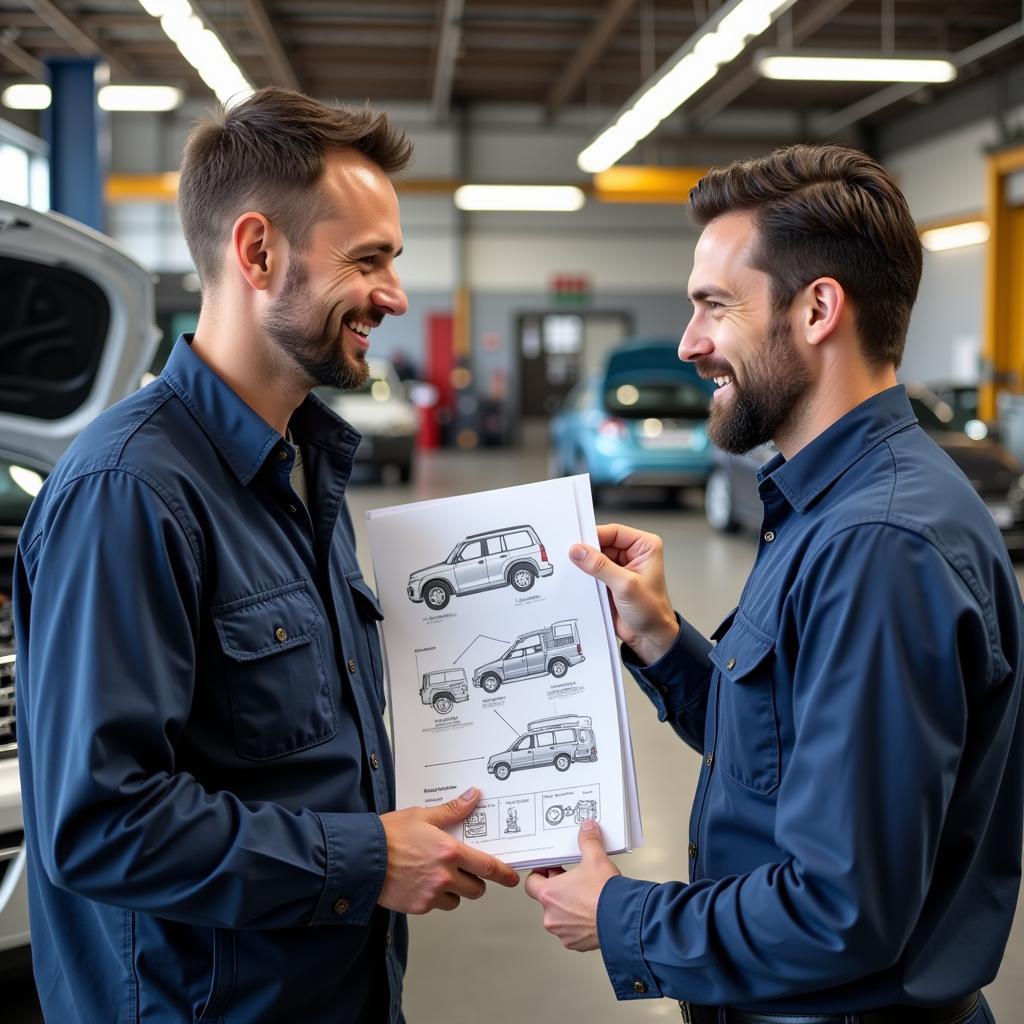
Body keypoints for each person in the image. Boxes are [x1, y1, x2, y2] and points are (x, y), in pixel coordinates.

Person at [13, 87, 518, 1024]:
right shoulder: (131, 493)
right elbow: (102, 826)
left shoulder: (300, 473)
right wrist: (371, 858)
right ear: (257, 251)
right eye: (367, 260)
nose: (394, 296)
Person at [525, 144, 1023, 1024]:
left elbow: (841, 911)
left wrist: (620, 915)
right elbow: (787, 756)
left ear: (818, 309)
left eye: (715, 306)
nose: (690, 344)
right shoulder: (829, 505)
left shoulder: (879, 544)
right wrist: (664, 643)